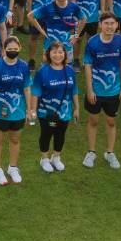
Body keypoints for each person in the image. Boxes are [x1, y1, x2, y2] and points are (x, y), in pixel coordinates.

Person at [0, 36, 32, 185]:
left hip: (18, 112)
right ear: (4, 49)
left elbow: (27, 89)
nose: (12, 51)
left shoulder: (24, 66)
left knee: (15, 140)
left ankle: (13, 167)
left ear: (20, 48)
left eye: (15, 49)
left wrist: (29, 110)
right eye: (9, 49)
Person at [82, 13, 121, 168]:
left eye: (112, 23)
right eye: (106, 23)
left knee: (111, 121)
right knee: (93, 121)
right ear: (100, 24)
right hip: (96, 91)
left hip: (114, 92)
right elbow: (88, 67)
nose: (109, 26)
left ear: (117, 25)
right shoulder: (92, 42)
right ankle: (91, 152)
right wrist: (90, 90)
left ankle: (110, 153)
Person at [32, 41, 78, 172]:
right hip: (46, 111)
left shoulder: (70, 71)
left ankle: (56, 157)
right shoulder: (42, 71)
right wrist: (32, 111)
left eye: (60, 52)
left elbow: (74, 90)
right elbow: (35, 92)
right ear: (48, 54)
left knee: (60, 134)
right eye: (54, 52)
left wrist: (77, 108)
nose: (58, 55)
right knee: (46, 134)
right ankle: (44, 159)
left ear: (65, 54)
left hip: (65, 111)